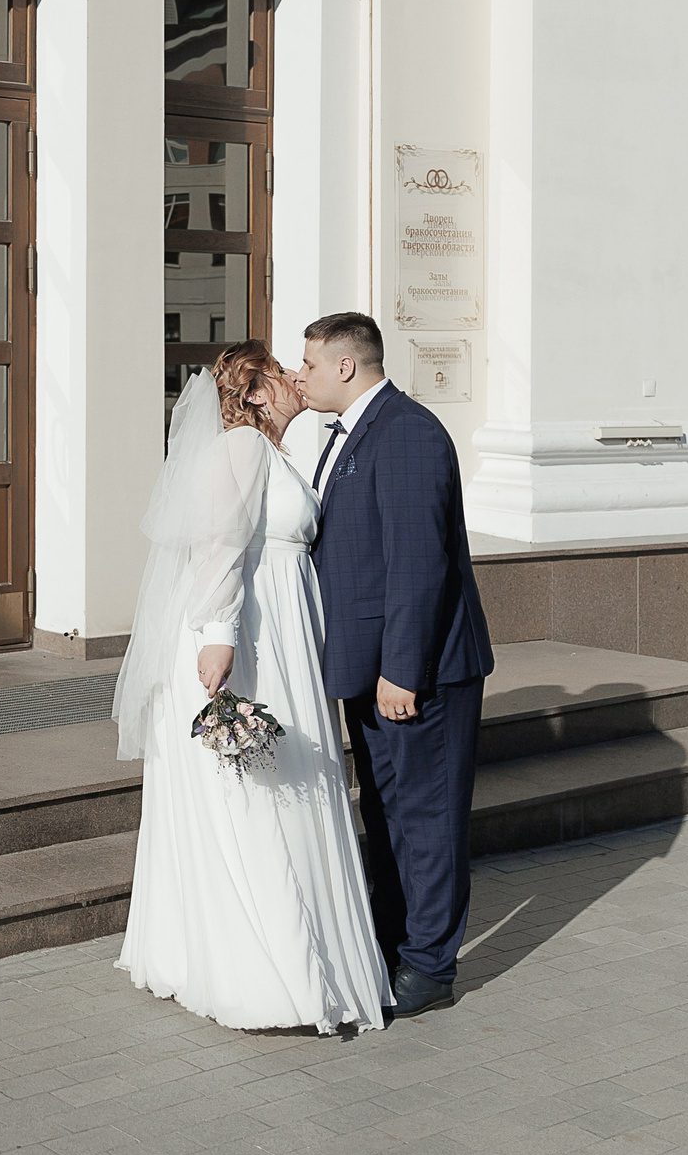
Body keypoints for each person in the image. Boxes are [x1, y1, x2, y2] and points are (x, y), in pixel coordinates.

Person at [112, 343, 390, 1035]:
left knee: (277, 790)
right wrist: (218, 632)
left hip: (282, 634)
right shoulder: (241, 446)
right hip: (250, 638)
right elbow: (220, 543)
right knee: (258, 797)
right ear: (258, 392)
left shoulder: (270, 450)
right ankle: (272, 971)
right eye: (281, 369)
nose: (297, 376)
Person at [296, 311, 494, 1019]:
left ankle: (430, 967)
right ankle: (394, 943)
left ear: (347, 365)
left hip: (419, 674)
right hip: (374, 668)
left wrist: (403, 672)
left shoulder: (407, 433)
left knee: (427, 819)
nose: (302, 375)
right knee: (389, 816)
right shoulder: (356, 432)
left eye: (311, 364)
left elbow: (418, 567)